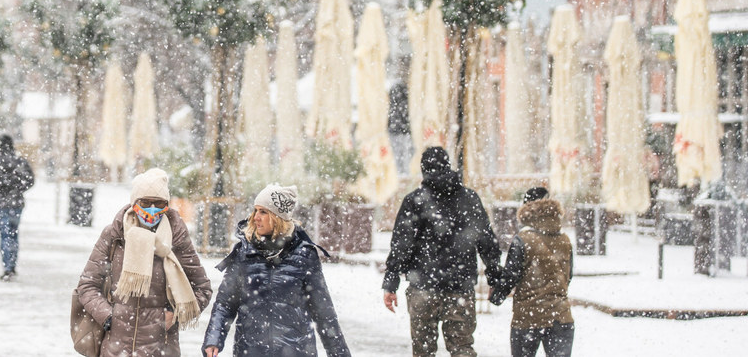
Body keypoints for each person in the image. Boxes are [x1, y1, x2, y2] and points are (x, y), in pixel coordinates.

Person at [76, 168, 212, 357]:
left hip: (160, 348)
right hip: (115, 347)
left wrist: (173, 315)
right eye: (145, 202)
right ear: (134, 202)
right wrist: (108, 316)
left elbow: (202, 288)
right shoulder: (115, 234)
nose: (152, 209)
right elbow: (87, 284)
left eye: (159, 203)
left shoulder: (176, 237)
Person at [202, 184, 350, 357]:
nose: (256, 217)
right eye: (255, 210)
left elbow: (324, 313)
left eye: (263, 212)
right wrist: (213, 339)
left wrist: (339, 353)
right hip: (250, 351)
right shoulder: (244, 252)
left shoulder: (305, 255)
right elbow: (225, 304)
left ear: (278, 217)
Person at [382, 146, 502, 357]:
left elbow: (401, 244)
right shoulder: (469, 199)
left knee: (423, 351)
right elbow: (487, 242)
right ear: (448, 166)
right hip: (460, 288)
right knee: (462, 348)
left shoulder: (414, 201)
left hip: (423, 286)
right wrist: (493, 276)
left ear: (423, 170)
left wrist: (391, 282)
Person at [489, 187, 574, 357]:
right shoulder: (565, 240)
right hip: (561, 318)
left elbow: (510, 276)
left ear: (526, 209)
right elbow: (568, 276)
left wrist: (497, 295)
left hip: (528, 319)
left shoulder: (523, 240)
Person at [0, 133, 35, 280]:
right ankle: (12, 265)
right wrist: (17, 188)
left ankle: (7, 266)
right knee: (14, 234)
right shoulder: (20, 161)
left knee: (5, 234)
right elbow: (30, 180)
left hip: (1, 203)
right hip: (16, 203)